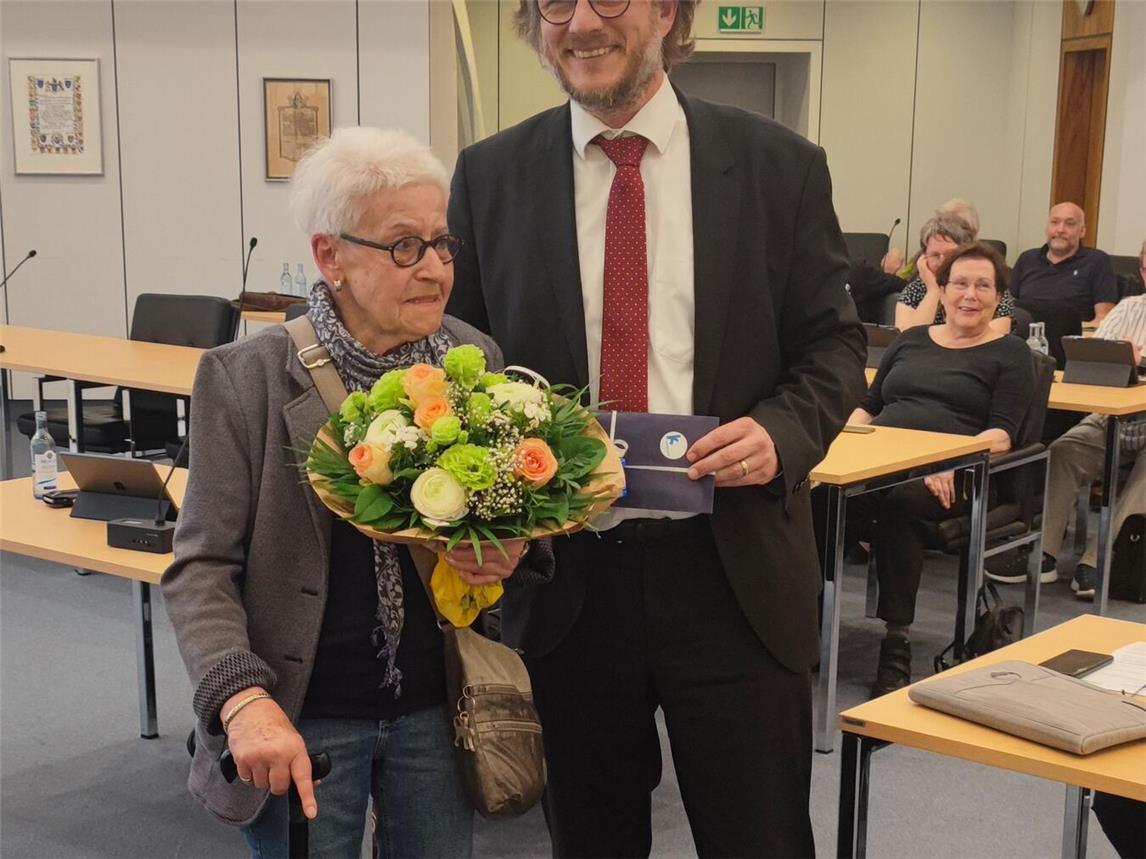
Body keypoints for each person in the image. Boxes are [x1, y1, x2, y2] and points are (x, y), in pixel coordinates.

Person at [446, 1, 866, 854]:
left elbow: (834, 347)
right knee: (590, 841)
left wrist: (780, 433)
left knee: (760, 840)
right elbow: (463, 366)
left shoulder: (778, 166)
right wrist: (486, 511)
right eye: (554, 3)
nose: (580, 23)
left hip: (732, 571)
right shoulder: (491, 176)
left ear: (668, 11)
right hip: (566, 580)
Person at [161, 127, 544, 857]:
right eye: (404, 246)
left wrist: (510, 549)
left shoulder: (474, 358)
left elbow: (504, 516)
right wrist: (242, 700)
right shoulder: (245, 377)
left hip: (438, 705)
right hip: (302, 713)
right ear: (329, 256)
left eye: (441, 243)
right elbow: (200, 567)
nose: (434, 269)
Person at [842, 243, 1034, 696]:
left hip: (960, 475)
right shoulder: (910, 340)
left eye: (983, 286)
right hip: (880, 460)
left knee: (902, 504)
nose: (970, 295)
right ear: (942, 290)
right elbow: (869, 406)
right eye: (960, 284)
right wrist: (840, 445)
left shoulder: (1011, 353)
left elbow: (1002, 434)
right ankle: (803, 625)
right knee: (814, 495)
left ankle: (896, 644)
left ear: (998, 297)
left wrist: (952, 460)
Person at [1000, 240, 1146, 598]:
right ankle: (1044, 553)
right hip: (1113, 417)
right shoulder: (1130, 307)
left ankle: (1099, 560)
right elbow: (1092, 356)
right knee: (1064, 450)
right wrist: (1120, 358)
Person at [895, 216, 1015, 334]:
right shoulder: (916, 288)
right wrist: (933, 291)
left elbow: (996, 337)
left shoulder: (988, 287)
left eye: (950, 255)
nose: (942, 262)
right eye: (935, 255)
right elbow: (906, 338)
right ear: (923, 259)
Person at [1011, 202, 1118, 326]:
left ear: (1082, 231)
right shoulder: (1027, 259)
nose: (1060, 230)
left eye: (1070, 224)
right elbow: (1005, 308)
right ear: (1047, 228)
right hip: (1023, 333)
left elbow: (1103, 319)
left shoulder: (1097, 261)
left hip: (1072, 336)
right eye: (1054, 222)